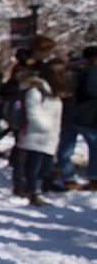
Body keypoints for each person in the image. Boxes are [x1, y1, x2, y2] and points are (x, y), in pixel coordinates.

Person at [18, 59, 67, 207]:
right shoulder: (36, 90)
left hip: (49, 137)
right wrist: (45, 126)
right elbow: (32, 112)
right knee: (34, 166)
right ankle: (33, 193)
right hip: (35, 136)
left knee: (46, 167)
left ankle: (29, 187)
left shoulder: (53, 91)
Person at [57, 46, 97, 190]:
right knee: (94, 147)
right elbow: (92, 91)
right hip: (87, 117)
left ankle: (68, 177)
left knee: (66, 148)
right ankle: (94, 178)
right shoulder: (91, 70)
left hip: (67, 115)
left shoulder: (67, 70)